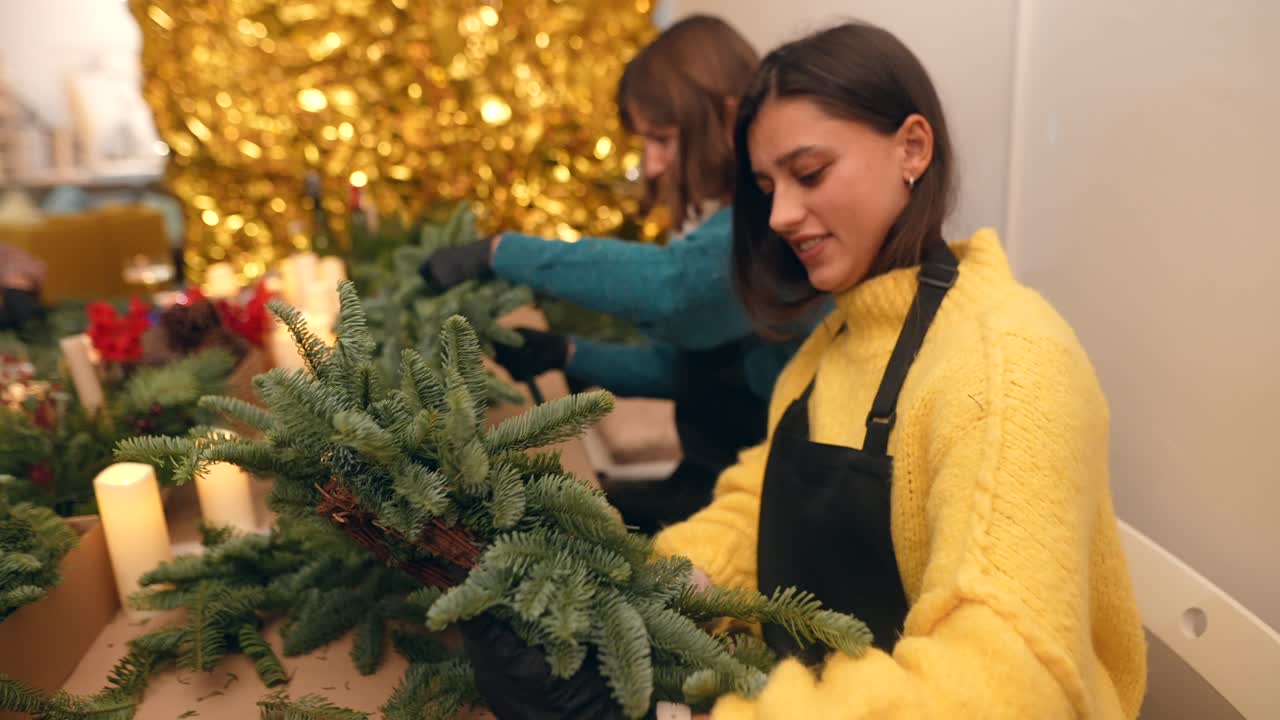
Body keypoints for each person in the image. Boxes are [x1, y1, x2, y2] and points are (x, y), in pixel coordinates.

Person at [461, 20, 1148, 720]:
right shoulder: (833, 341)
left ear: (912, 147)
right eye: (766, 186)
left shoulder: (1009, 364)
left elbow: (1007, 686)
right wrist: (640, 607)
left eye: (810, 173)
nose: (783, 214)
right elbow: (754, 510)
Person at [420, 15, 802, 534]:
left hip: (770, 511)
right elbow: (686, 370)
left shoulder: (774, 222)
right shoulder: (729, 221)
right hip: (708, 482)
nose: (653, 166)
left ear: (724, 116)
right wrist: (569, 354)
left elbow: (671, 290)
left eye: (663, 139)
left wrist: (500, 251)